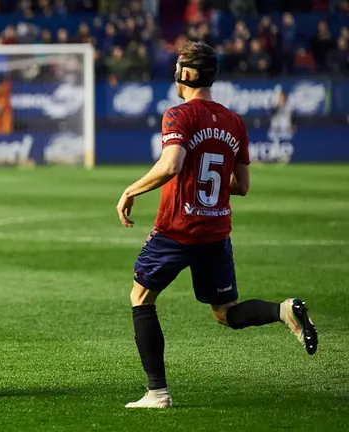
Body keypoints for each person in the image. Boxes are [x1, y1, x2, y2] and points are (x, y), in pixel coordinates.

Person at [115, 41, 318, 409]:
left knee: (141, 297)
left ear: (186, 74)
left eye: (179, 66)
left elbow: (172, 164)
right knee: (226, 312)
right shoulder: (233, 121)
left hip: (177, 229)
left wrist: (131, 189)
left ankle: (157, 392)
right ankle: (283, 310)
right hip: (215, 231)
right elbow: (242, 186)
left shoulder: (178, 115)